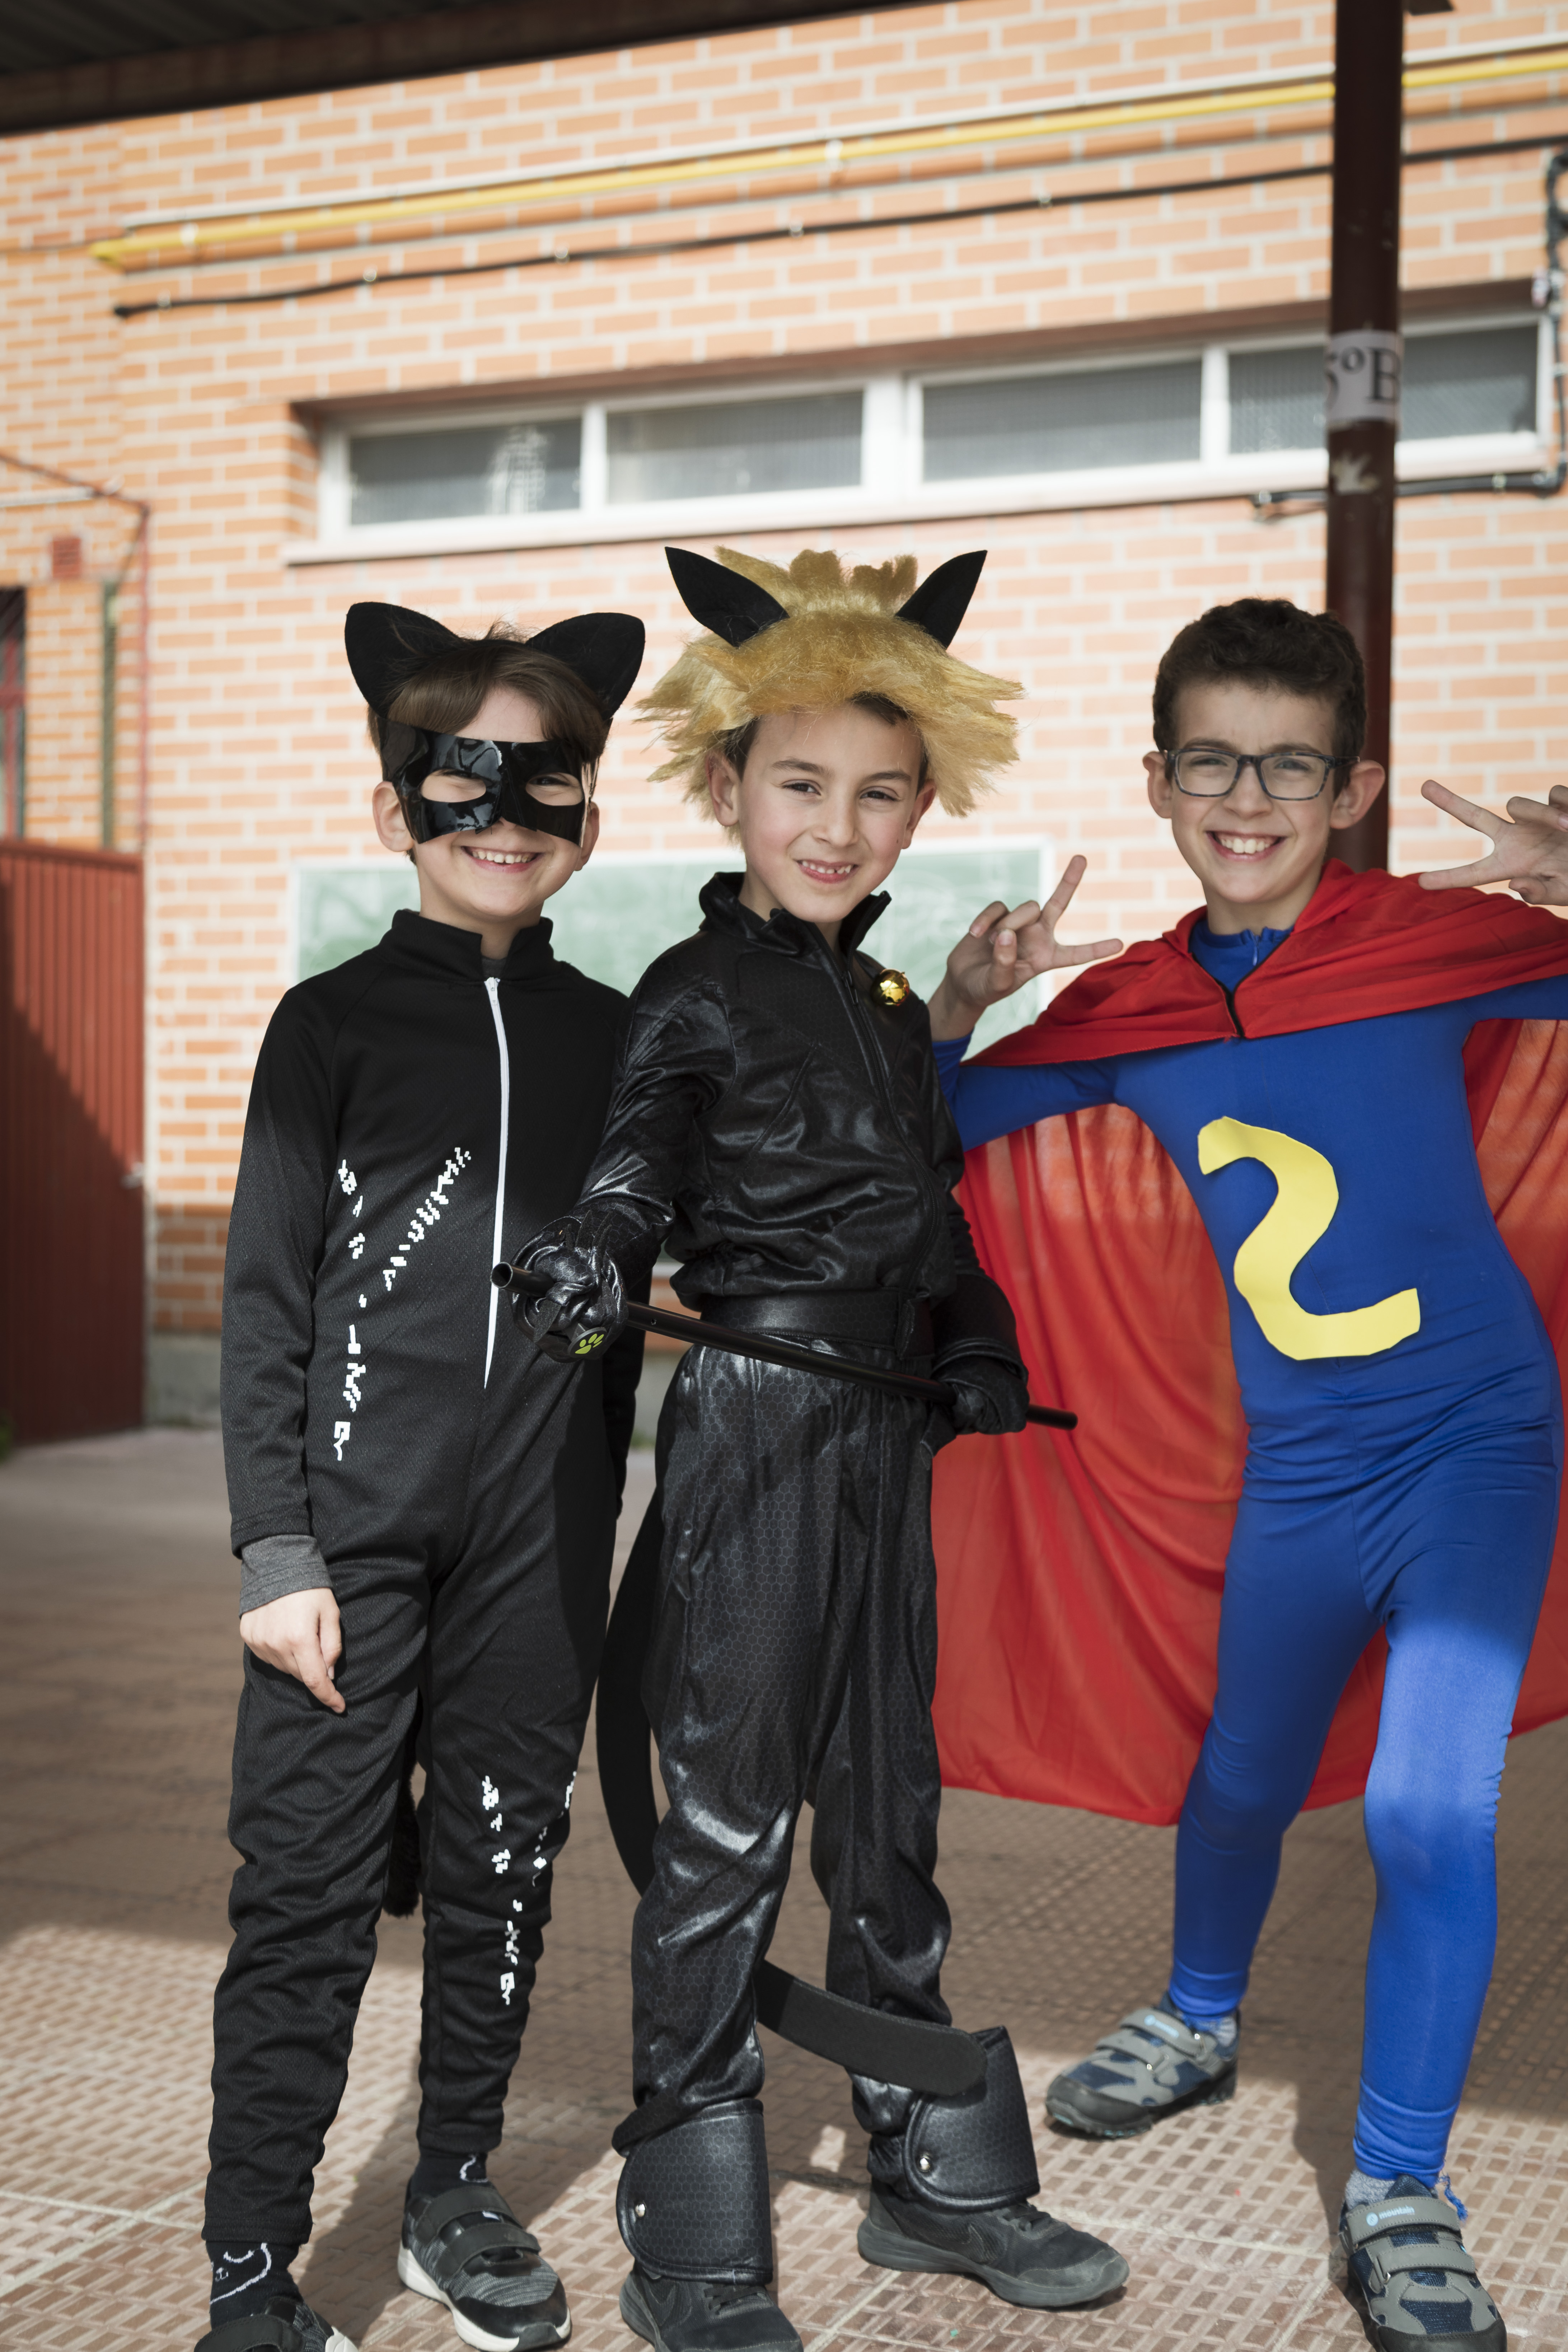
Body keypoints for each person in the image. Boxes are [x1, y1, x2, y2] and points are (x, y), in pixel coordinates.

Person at [506, 546, 1130, 2352]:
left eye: (877, 793)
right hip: (758, 1426)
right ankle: (693, 2225)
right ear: (728, 788)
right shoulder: (690, 988)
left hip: (888, 1427)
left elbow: (928, 1212)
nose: (835, 826)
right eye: (799, 786)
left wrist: (979, 1334)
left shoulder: (883, 1007)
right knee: (725, 1820)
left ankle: (927, 2172)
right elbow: (635, 1163)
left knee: (884, 1805)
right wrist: (595, 1248)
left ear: (922, 805)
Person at [926, 596, 1568, 2352]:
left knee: (1430, 1811)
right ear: (1156, 778)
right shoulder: (1126, 1005)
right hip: (1300, 1466)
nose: (1248, 798)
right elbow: (926, 1131)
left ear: (1351, 788)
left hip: (1479, 1444)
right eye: (1211, 760)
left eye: (1292, 766)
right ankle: (1198, 2015)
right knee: (1237, 1778)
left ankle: (1398, 2186)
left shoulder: (1435, 936)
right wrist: (960, 1003)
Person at [200, 599, 646, 2352]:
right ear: (397, 808)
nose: (504, 823)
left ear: (587, 811)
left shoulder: (619, 1035)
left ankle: (452, 2188)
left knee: (502, 1873)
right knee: (304, 1898)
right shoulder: (328, 1026)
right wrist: (275, 1550)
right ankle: (252, 2269)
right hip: (347, 1551)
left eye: (545, 786)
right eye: (465, 787)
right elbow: (263, 1304)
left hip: (539, 1548)